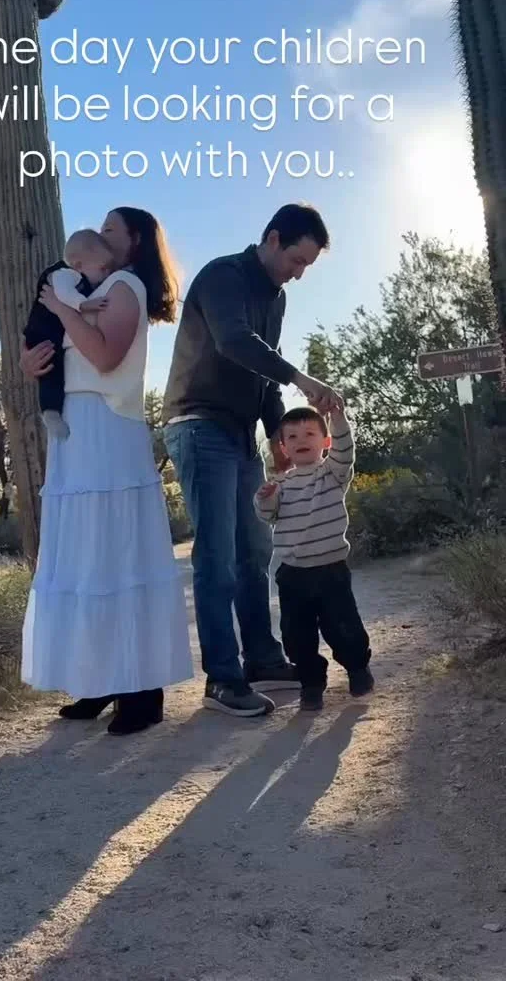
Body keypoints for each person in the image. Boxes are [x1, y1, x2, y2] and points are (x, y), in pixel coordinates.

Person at [162, 202, 340, 718]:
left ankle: (261, 659)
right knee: (216, 557)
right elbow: (235, 342)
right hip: (198, 424)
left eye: (308, 266)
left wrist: (281, 441)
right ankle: (222, 679)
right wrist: (301, 377)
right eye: (297, 260)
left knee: (254, 553)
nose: (299, 273)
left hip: (240, 433)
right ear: (273, 238)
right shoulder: (224, 276)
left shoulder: (276, 297)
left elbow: (264, 377)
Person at [20, 207, 193, 736]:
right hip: (77, 428)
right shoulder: (85, 287)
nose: (99, 234)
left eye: (111, 228)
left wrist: (60, 307)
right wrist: (31, 361)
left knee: (118, 549)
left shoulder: (124, 287)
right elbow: (56, 348)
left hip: (109, 427)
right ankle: (98, 679)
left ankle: (141, 691)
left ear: (134, 240)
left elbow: (104, 357)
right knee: (86, 552)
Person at [254, 403, 373, 712]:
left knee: (344, 626)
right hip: (293, 573)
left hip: (331, 570)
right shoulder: (279, 483)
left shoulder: (333, 474)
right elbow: (268, 516)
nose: (301, 440)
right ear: (283, 447)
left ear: (326, 441)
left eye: (309, 433)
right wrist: (264, 499)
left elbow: (345, 451)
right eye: (292, 437)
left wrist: (338, 417)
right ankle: (311, 684)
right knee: (296, 635)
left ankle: (358, 669)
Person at [22, 230, 113, 440]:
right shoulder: (64, 273)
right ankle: (50, 412)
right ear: (79, 264)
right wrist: (84, 304)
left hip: (52, 332)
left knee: (56, 369)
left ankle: (53, 410)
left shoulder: (79, 274)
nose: (106, 274)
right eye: (103, 268)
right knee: (51, 370)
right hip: (43, 332)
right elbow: (63, 294)